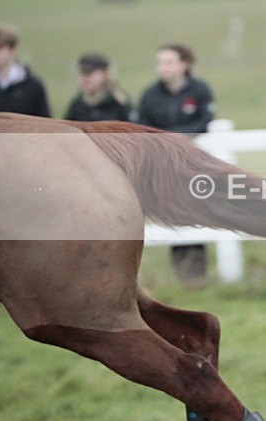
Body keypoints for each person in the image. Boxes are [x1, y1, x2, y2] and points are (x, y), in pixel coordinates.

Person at [139, 44, 216, 282]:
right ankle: (182, 274)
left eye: (169, 62)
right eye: (160, 62)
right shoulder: (150, 96)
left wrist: (173, 137)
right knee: (172, 213)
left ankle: (197, 274)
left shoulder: (200, 90)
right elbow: (142, 127)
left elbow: (205, 121)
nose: (163, 68)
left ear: (185, 64)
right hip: (163, 167)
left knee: (196, 212)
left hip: (195, 166)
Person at [64, 53, 133, 122]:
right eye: (82, 73)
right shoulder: (78, 103)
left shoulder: (119, 102)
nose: (85, 79)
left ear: (105, 74)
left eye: (89, 73)